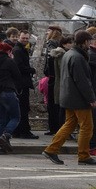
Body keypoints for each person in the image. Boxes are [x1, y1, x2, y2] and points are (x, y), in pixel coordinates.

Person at [42, 29, 96, 166]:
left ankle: (51, 149)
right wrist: (91, 98)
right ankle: (83, 155)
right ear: (84, 42)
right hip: (78, 99)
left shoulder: (69, 54)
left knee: (69, 125)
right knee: (87, 127)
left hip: (69, 97)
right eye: (89, 41)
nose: (90, 44)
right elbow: (82, 80)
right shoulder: (78, 57)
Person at [11, 30, 38, 139]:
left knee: (21, 108)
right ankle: (24, 131)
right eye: (23, 38)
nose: (25, 40)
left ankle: (18, 131)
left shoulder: (21, 49)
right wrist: (31, 70)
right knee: (23, 108)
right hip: (21, 83)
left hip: (21, 83)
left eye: (27, 38)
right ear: (18, 37)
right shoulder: (18, 50)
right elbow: (19, 67)